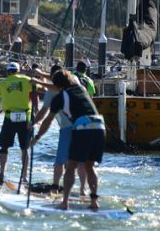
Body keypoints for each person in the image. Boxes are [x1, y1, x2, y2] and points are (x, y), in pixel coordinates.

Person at [30, 69, 105, 210]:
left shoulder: (59, 98)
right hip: (100, 125)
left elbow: (47, 121)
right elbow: (56, 85)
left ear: (56, 85)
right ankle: (94, 201)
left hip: (83, 127)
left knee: (70, 167)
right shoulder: (80, 87)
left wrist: (37, 137)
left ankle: (65, 203)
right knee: (90, 165)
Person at [32, 65, 87, 195]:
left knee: (60, 160)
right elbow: (55, 77)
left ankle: (55, 187)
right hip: (83, 125)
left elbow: (43, 112)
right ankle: (83, 190)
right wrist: (40, 73)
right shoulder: (74, 80)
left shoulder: (51, 92)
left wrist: (32, 123)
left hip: (67, 127)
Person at [0, 62, 38, 183]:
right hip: (25, 118)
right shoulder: (27, 80)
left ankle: (1, 173)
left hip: (9, 118)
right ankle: (24, 177)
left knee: (4, 147)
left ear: (8, 72)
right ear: (18, 71)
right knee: (24, 148)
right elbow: (37, 91)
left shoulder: (2, 83)